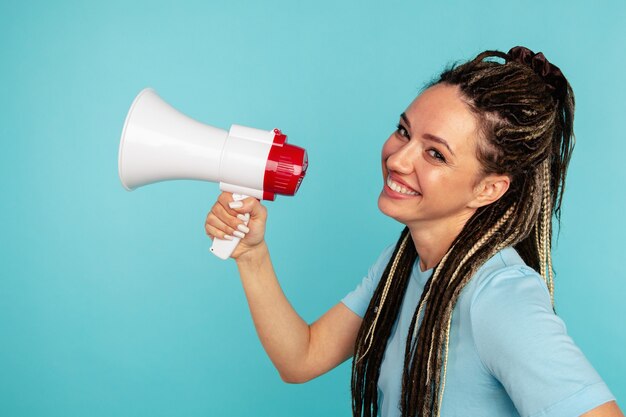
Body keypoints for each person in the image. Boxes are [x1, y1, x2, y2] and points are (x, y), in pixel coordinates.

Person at [203, 47, 623, 417]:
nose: (398, 159)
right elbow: (301, 358)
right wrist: (251, 256)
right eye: (404, 131)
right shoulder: (402, 263)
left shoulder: (500, 297)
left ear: (489, 188)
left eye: (435, 154)